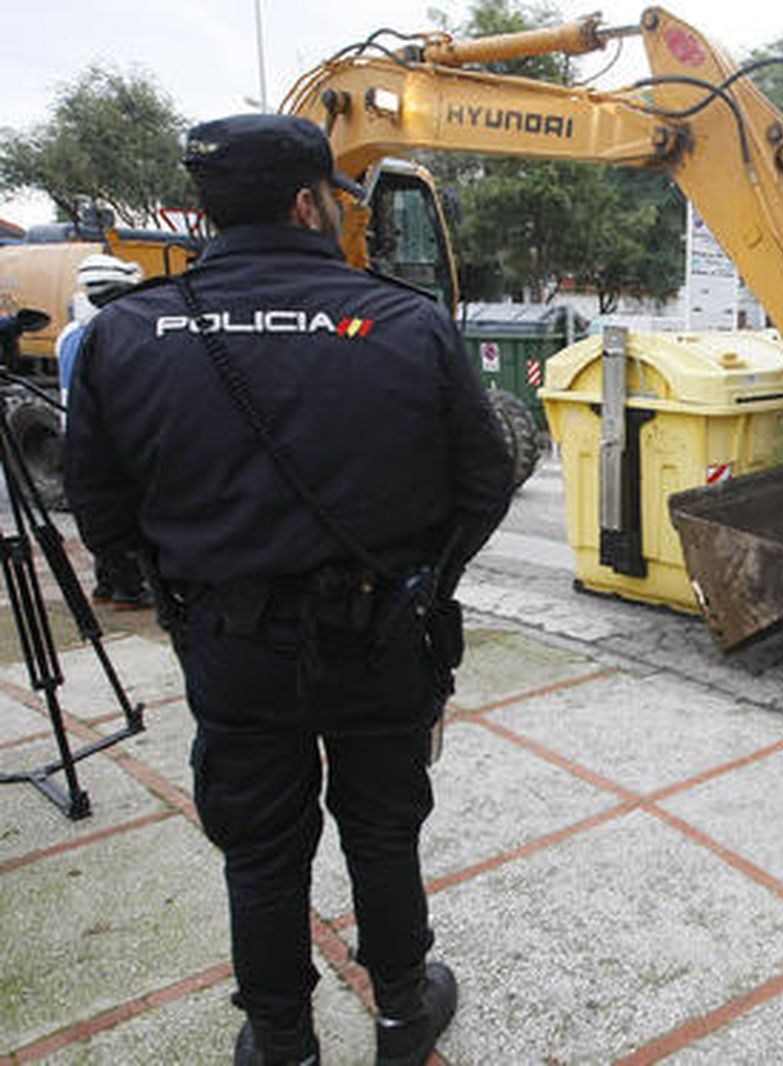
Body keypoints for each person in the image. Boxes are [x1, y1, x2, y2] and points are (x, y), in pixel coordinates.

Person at [64, 113, 513, 1066]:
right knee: (384, 829)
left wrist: (178, 592)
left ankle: (281, 1041)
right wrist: (430, 583)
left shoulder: (124, 332)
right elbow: (482, 480)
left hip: (233, 646)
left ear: (206, 208)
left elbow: (99, 511)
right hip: (382, 634)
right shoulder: (403, 321)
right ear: (310, 202)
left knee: (261, 852)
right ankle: (401, 1009)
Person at [57, 253, 149, 607]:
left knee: (96, 512)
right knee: (120, 513)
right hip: (108, 437)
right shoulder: (112, 333)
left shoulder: (72, 332)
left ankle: (106, 586)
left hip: (76, 435)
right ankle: (129, 589)